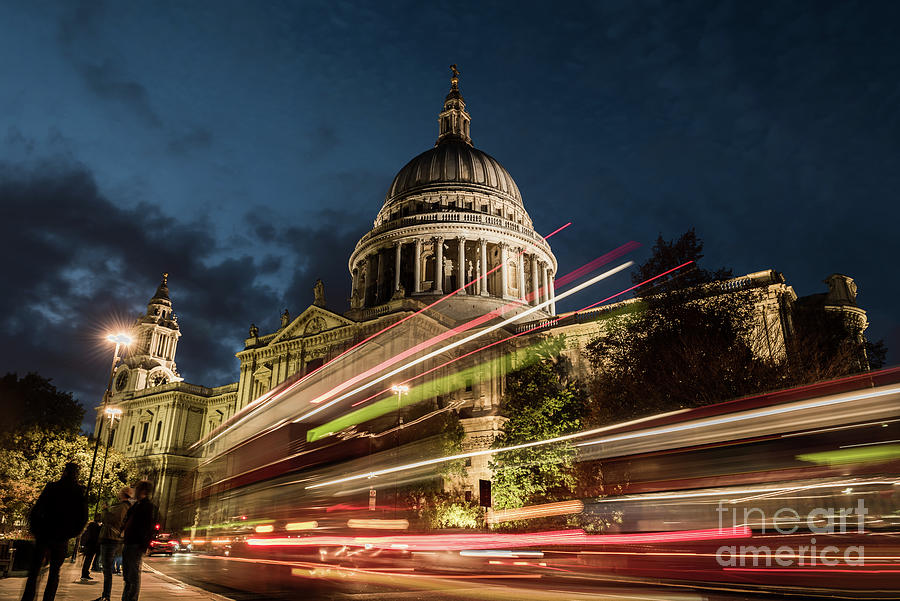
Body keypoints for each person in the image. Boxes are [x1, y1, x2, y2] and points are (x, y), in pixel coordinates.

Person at [20, 462, 88, 601]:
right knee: (54, 573)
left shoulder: (52, 487)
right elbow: (82, 519)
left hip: (45, 533)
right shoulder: (79, 492)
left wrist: (36, 530)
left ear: (65, 472)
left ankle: (27, 598)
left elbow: (36, 510)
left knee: (34, 572)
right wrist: (70, 534)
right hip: (61, 537)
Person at [92, 487, 132, 601]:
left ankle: (106, 596)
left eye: (120, 491)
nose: (118, 493)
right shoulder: (123, 506)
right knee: (107, 569)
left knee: (107, 569)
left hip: (110, 539)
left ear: (123, 494)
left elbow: (110, 519)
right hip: (112, 539)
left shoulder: (123, 507)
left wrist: (104, 510)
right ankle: (105, 595)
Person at [121, 481, 157, 601]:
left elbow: (148, 527)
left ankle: (131, 599)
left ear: (143, 491)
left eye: (137, 489)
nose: (135, 491)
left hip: (136, 544)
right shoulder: (137, 505)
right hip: (129, 542)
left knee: (133, 575)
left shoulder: (147, 506)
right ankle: (125, 598)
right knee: (127, 575)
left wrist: (144, 545)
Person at [80, 513, 102, 580]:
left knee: (87, 560)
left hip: (89, 545)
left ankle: (85, 573)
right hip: (92, 546)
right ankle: (84, 574)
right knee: (88, 560)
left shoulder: (91, 524)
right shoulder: (95, 526)